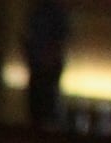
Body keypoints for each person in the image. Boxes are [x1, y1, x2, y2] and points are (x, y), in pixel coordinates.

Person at [23, 0, 72, 129]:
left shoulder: (51, 12)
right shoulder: (41, 12)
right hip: (40, 65)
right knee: (39, 104)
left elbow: (60, 38)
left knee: (46, 103)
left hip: (45, 65)